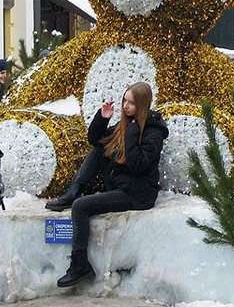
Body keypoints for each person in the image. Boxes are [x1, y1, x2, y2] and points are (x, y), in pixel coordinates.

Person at [57, 82, 168, 288]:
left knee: (81, 207)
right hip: (120, 185)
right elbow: (95, 139)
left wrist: (132, 133)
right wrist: (103, 118)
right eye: (124, 101)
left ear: (142, 106)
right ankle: (75, 188)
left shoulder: (153, 132)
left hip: (137, 194)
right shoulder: (128, 125)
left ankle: (79, 263)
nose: (125, 106)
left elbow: (138, 166)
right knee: (100, 148)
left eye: (131, 103)